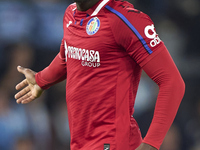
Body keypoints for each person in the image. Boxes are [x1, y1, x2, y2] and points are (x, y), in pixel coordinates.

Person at [14, 0, 185, 150]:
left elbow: (172, 81)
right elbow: (68, 56)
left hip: (113, 142)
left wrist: (151, 144)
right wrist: (41, 80)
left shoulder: (126, 19)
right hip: (80, 142)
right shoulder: (70, 14)